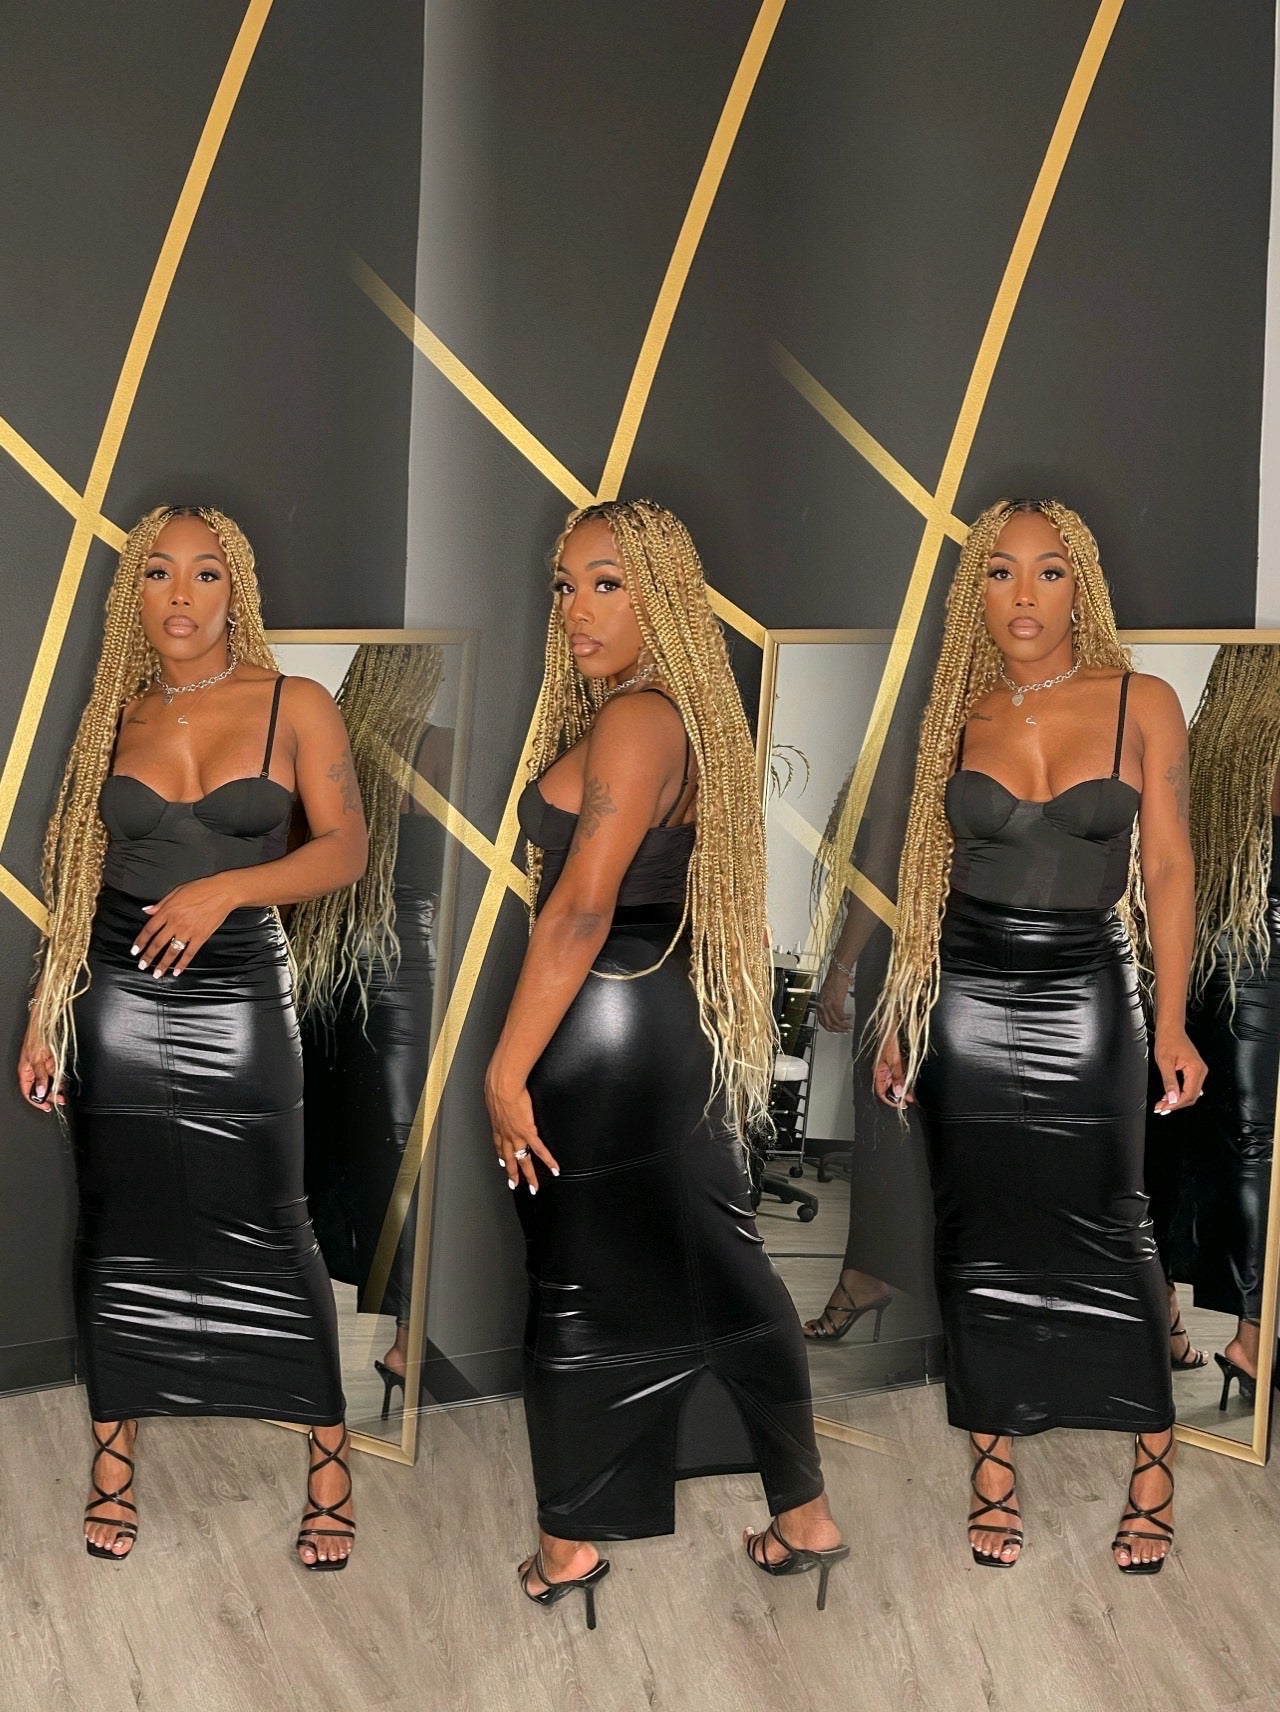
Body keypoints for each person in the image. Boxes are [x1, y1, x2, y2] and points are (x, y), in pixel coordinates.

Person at [486, 499, 846, 1629]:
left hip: (606, 1024)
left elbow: (580, 908)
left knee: (579, 1278)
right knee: (719, 1261)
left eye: (608, 583)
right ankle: (803, 1517)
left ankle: (568, 1543)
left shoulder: (640, 718)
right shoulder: (655, 713)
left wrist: (504, 1070)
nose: (576, 607)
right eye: (565, 585)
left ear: (664, 599)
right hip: (653, 1019)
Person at [17, 505, 367, 1569]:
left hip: (239, 991)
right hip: (115, 991)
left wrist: (228, 887)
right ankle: (113, 1464)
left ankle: (329, 1466)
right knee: (118, 1226)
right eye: (158, 573)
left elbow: (344, 850)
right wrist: (45, 1010)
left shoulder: (295, 703)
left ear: (234, 590)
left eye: (205, 573)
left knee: (272, 1223)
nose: (180, 594)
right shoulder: (114, 715)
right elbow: (80, 876)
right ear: (135, 591)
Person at [873, 497, 1205, 1575]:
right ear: (975, 589)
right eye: (1000, 571)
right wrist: (902, 1012)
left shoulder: (1141, 700)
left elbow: (1168, 868)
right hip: (962, 993)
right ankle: (993, 1464)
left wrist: (1170, 1021)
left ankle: (1152, 1463)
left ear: (1080, 586)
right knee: (974, 1231)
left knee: (1111, 1223)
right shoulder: (956, 711)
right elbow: (923, 879)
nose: (1024, 595)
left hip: (1086, 988)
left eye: (1048, 571)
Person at [293, 643, 451, 1418]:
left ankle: (330, 1336)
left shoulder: (326, 747)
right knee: (405, 1159)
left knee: (340, 1153)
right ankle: (409, 1343)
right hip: (401, 970)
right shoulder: (438, 748)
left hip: (323, 972)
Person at [1182, 644, 1280, 1402]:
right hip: (1256, 950)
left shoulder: (1213, 745)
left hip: (1220, 950)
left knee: (1225, 1142)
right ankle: (1252, 1336)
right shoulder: (1262, 750)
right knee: (1254, 1147)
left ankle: (1180, 1322)